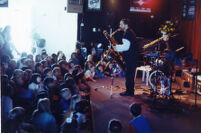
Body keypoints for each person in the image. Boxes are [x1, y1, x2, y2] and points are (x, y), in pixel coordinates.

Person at [113, 18, 138, 97]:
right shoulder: (130, 32)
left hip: (130, 58)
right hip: (133, 57)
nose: (119, 26)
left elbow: (126, 47)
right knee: (130, 75)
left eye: (121, 24)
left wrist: (116, 47)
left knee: (129, 75)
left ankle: (129, 92)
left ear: (125, 25)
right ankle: (130, 91)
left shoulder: (127, 34)